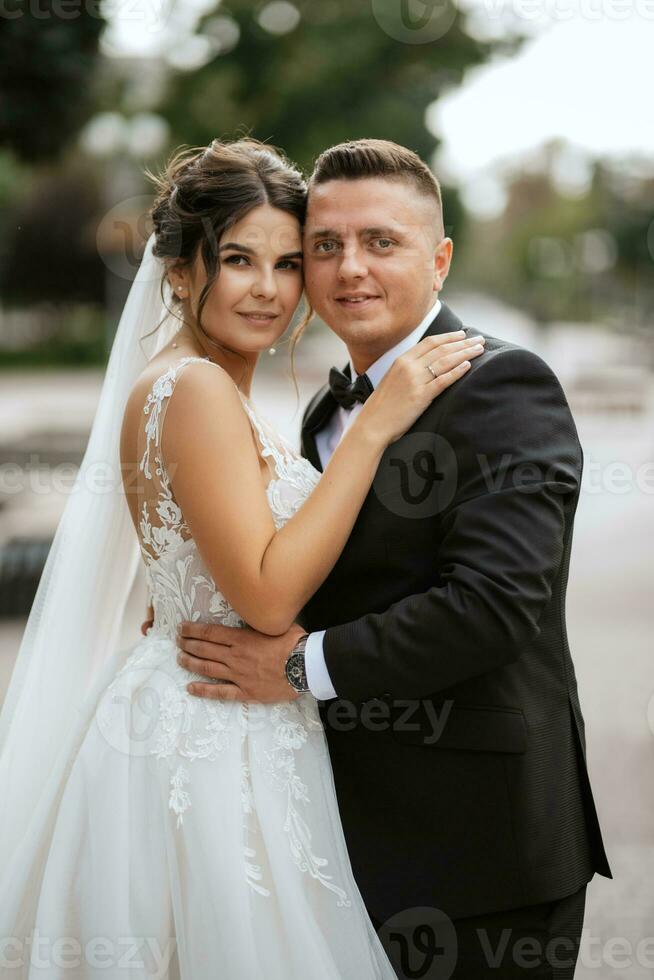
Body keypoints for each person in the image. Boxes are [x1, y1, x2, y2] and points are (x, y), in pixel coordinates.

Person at [0, 138, 484, 979]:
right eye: (237, 259)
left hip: (230, 706)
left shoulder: (213, 389)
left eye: (289, 262)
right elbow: (263, 599)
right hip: (208, 735)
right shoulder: (194, 390)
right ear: (183, 270)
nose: (268, 288)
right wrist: (373, 428)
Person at [175, 139, 613, 979]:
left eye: (382, 242)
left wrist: (298, 669)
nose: (349, 269)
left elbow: (493, 606)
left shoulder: (503, 386)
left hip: (483, 847)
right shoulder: (319, 413)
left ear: (439, 258)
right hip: (344, 841)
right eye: (326, 246)